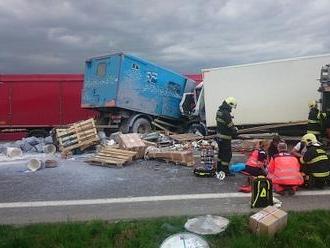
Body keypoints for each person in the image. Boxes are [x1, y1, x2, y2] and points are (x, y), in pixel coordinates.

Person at [215, 96, 238, 179]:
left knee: (220, 154)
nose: (231, 109)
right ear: (229, 104)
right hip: (225, 138)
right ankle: (225, 171)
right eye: (231, 107)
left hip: (219, 137)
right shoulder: (226, 113)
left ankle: (219, 169)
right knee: (227, 155)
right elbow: (230, 125)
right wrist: (235, 132)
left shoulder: (219, 111)